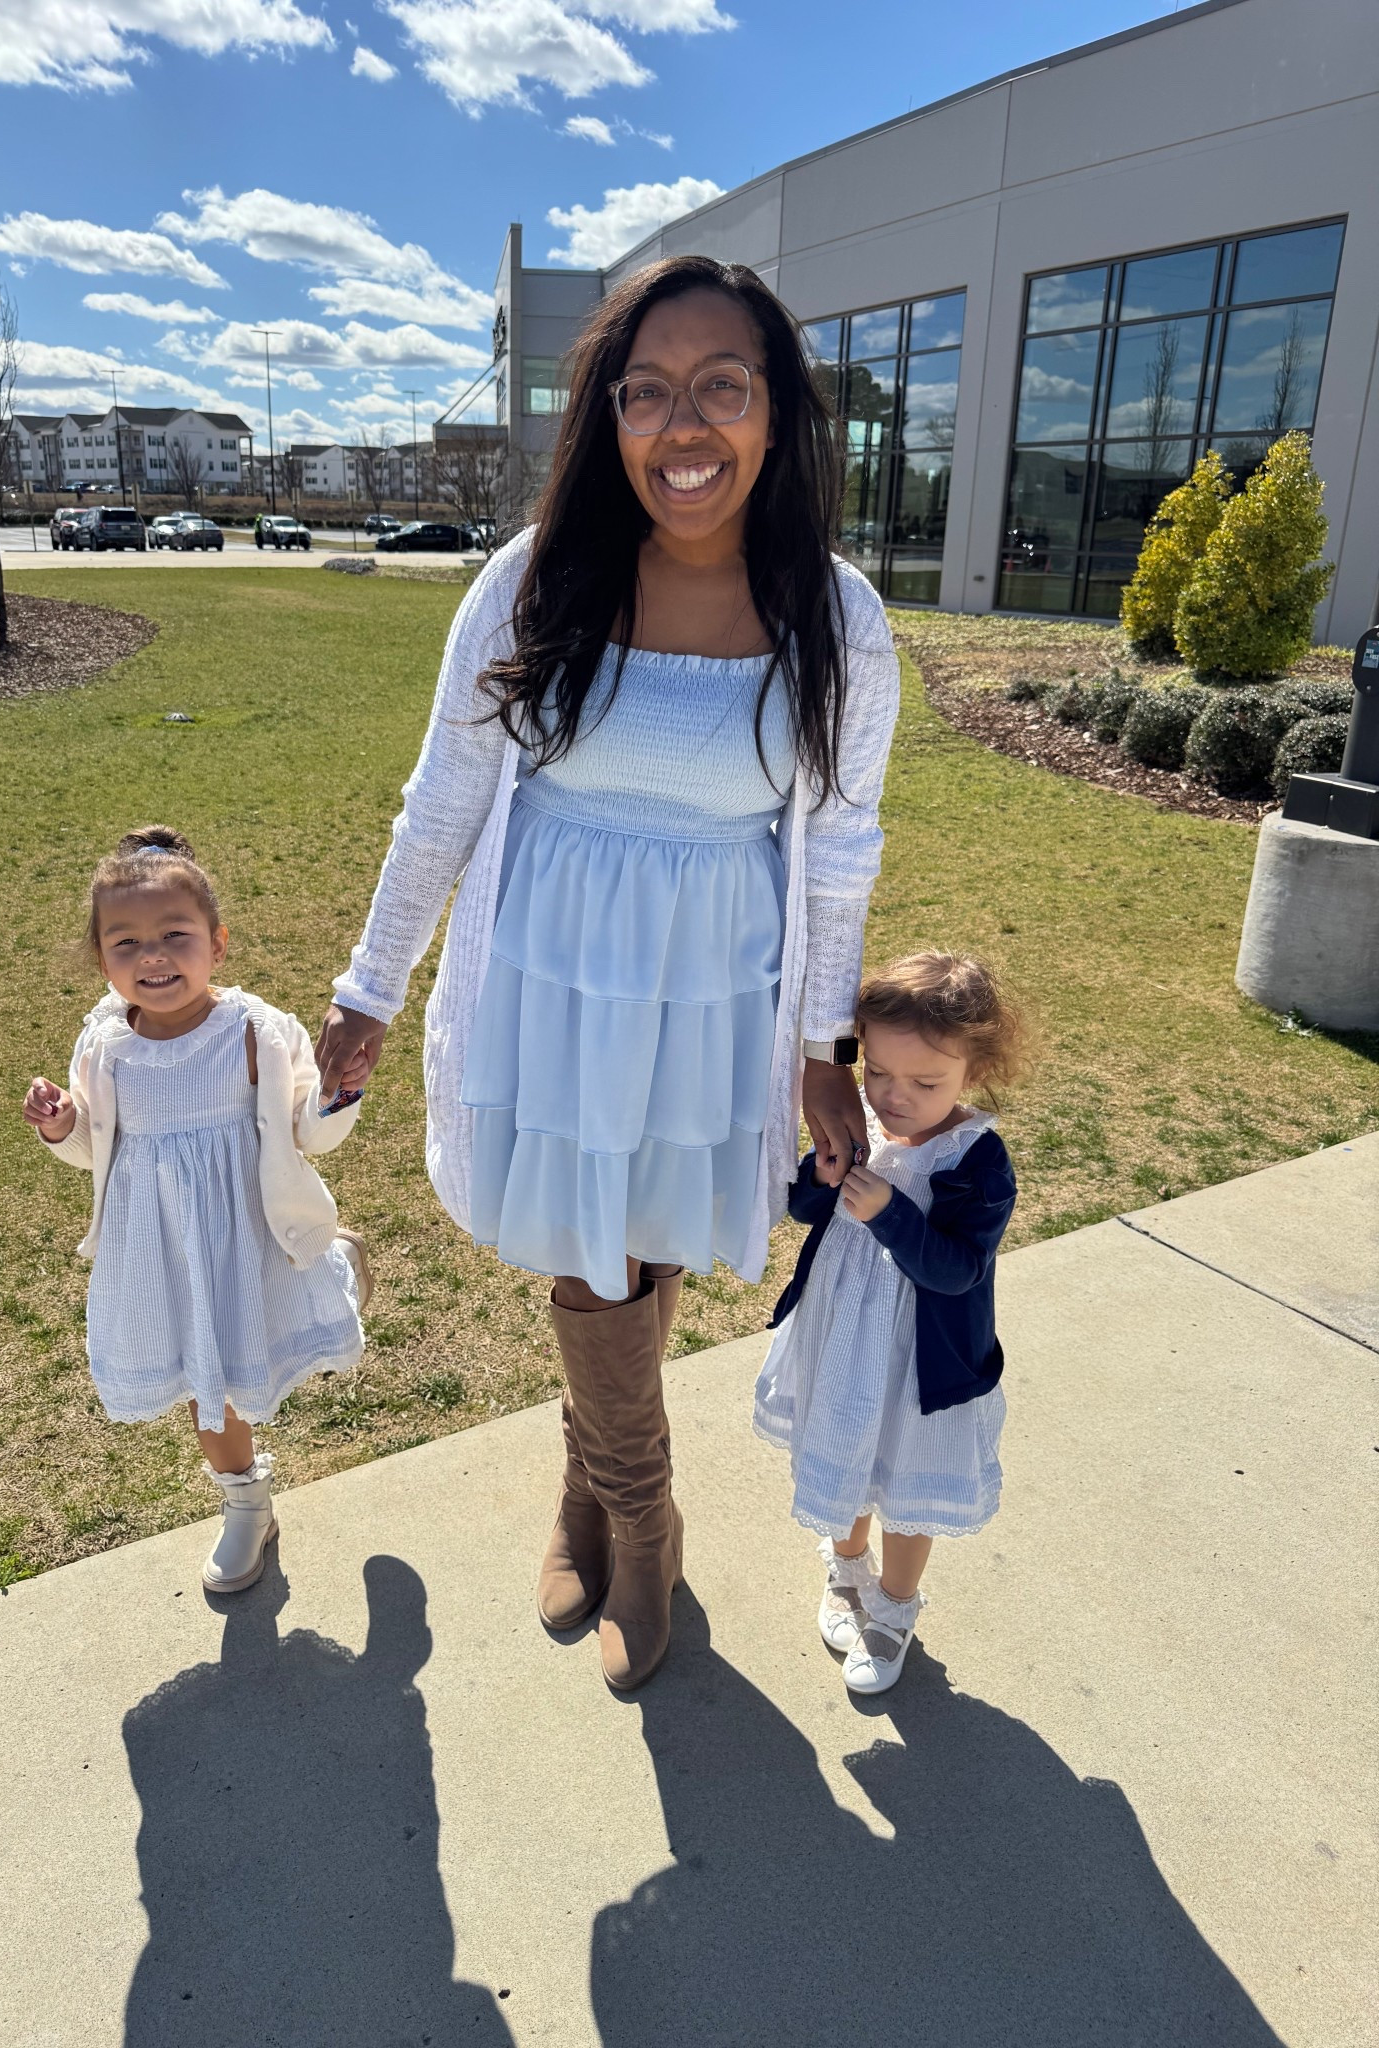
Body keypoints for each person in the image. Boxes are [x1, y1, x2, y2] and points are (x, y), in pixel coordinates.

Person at [316, 254, 900, 1691]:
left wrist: (827, 1044)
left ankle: (601, 1492)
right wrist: (369, 987)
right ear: (609, 416)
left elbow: (836, 853)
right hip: (552, 977)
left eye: (720, 389)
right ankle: (638, 1514)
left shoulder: (839, 616)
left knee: (641, 1227)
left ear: (775, 417)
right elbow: (441, 799)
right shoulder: (535, 578)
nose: (682, 428)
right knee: (591, 1235)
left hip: (713, 994)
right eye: (648, 392)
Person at [23, 827, 370, 1595]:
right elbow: (95, 1148)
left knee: (266, 1342)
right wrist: (59, 1127)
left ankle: (334, 1266)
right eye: (126, 943)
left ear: (217, 944)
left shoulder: (253, 1033)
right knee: (199, 1373)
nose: (153, 958)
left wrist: (340, 1090)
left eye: (175, 936)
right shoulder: (105, 1045)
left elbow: (309, 1128)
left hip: (248, 1230)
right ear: (102, 960)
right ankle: (246, 1502)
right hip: (160, 1244)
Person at [754, 951, 1026, 1694]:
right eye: (877, 1072)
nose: (894, 1096)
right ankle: (845, 1569)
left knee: (906, 1477)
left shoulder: (977, 1161)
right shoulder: (864, 1120)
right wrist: (823, 1175)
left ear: (973, 1070)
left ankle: (895, 1607)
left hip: (921, 1361)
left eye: (925, 1082)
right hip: (842, 1336)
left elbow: (957, 1270)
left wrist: (891, 1216)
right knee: (843, 1446)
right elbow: (807, 1211)